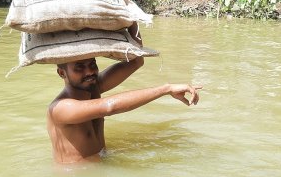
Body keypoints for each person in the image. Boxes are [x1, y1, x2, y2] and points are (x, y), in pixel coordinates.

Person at [47, 22, 202, 164]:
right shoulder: (60, 108)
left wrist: (132, 21)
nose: (89, 72)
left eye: (92, 64)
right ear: (62, 73)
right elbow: (110, 107)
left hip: (102, 164)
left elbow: (136, 60)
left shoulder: (93, 87)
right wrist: (166, 89)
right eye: (79, 67)